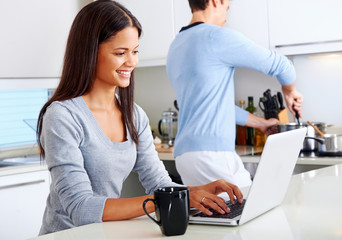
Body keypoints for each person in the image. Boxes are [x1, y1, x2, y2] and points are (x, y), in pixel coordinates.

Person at [36, 0, 243, 235]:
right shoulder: (62, 116)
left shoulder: (134, 115)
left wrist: (196, 191)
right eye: (120, 52)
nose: (132, 61)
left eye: (135, 51)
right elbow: (81, 207)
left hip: (103, 234)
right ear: (90, 52)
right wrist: (166, 200)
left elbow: (159, 184)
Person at [166, 0, 303, 188]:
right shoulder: (216, 36)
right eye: (226, 9)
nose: (225, 18)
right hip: (213, 156)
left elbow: (216, 107)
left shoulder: (176, 45)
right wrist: (290, 90)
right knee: (252, 211)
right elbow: (282, 66)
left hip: (185, 157)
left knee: (221, 216)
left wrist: (261, 124)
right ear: (215, 1)